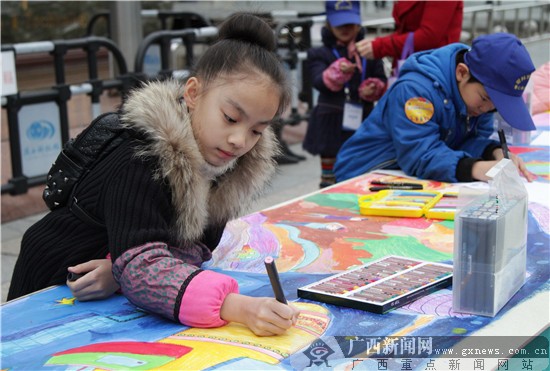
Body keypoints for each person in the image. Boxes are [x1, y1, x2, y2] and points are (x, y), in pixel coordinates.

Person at [8, 13, 301, 337]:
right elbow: (142, 266)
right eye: (231, 118)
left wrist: (118, 272)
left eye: (257, 131)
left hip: (109, 300)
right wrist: (239, 307)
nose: (239, 140)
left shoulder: (227, 167)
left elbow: (195, 246)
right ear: (193, 93)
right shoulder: (145, 155)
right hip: (54, 283)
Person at [334, 33, 537, 184]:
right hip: (361, 177)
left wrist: (493, 153)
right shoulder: (416, 93)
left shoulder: (479, 101)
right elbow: (420, 154)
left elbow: (466, 141)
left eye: (496, 107)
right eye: (485, 99)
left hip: (401, 179)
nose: (486, 109)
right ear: (461, 72)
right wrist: (476, 168)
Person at [303, 0, 387, 188]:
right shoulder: (319, 53)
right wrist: (337, 73)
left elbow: (382, 79)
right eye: (339, 24)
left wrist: (374, 87)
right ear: (329, 24)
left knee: (361, 170)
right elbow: (318, 81)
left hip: (363, 118)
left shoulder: (370, 52)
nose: (345, 28)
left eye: (349, 23)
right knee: (330, 177)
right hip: (330, 123)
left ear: (358, 24)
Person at [355, 1, 463, 67]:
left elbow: (428, 36)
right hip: (411, 64)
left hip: (433, 68)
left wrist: (380, 46)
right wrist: (376, 43)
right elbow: (406, 31)